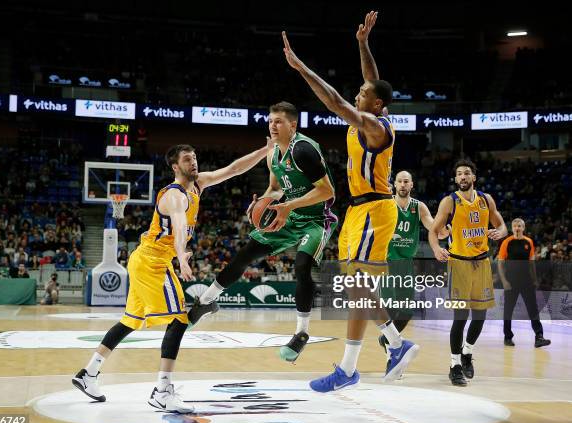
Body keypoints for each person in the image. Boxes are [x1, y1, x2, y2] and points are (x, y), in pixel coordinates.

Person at [72, 141, 272, 413]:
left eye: (195, 157)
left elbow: (234, 169)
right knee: (178, 320)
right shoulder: (174, 195)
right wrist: (181, 255)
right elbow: (179, 226)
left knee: (129, 321)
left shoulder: (199, 184)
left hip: (146, 260)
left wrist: (265, 150)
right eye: (188, 159)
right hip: (154, 263)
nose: (194, 162)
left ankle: (88, 373)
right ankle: (163, 391)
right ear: (176, 166)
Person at [281, 10, 419, 392]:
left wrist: (302, 69)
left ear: (375, 106)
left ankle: (365, 359)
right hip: (359, 210)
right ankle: (380, 351)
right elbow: (370, 81)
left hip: (376, 208)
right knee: (357, 287)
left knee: (359, 285)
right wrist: (363, 44)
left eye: (363, 95)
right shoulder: (377, 110)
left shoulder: (374, 127)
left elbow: (338, 103)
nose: (358, 93)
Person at [187, 101, 337, 364]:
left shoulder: (303, 150)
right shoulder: (273, 154)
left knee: (302, 265)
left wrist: (287, 205)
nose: (272, 125)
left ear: (293, 125)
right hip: (287, 214)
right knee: (246, 253)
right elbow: (275, 189)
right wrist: (261, 203)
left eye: (278, 121)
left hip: (315, 219)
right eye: (270, 121)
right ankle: (207, 301)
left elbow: (327, 191)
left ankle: (301, 333)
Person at [429, 159, 507, 386]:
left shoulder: (486, 199)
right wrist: (436, 249)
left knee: (480, 316)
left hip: (482, 262)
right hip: (459, 262)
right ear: (456, 179)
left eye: (467, 173)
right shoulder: (449, 202)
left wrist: (500, 232)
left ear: (474, 177)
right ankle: (454, 366)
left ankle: (467, 353)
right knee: (460, 317)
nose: (463, 177)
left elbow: (501, 225)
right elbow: (433, 232)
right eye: (459, 174)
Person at [377, 171, 449, 368]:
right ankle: (391, 354)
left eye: (406, 181)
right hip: (387, 263)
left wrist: (442, 230)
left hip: (407, 263)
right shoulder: (386, 204)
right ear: (394, 185)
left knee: (407, 311)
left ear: (411, 185)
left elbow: (432, 227)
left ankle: (387, 340)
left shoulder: (419, 206)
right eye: (399, 181)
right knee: (391, 309)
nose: (402, 184)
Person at [498, 218, 551, 347]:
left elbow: (531, 263)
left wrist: (534, 279)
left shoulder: (529, 242)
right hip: (511, 281)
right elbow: (500, 264)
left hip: (527, 281)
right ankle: (508, 337)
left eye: (519, 226)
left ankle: (539, 336)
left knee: (533, 309)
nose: (517, 228)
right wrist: (504, 281)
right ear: (512, 228)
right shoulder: (506, 242)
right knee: (508, 310)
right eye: (515, 226)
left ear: (523, 228)